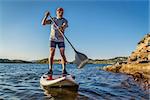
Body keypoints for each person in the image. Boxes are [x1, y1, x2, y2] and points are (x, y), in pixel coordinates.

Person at [42, 7, 68, 76]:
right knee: (52, 53)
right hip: (52, 39)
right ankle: (50, 70)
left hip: (61, 39)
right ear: (56, 12)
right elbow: (43, 23)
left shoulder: (64, 20)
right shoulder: (53, 19)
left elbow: (65, 25)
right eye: (59, 11)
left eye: (62, 11)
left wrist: (62, 27)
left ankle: (64, 70)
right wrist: (46, 16)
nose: (61, 12)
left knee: (62, 54)